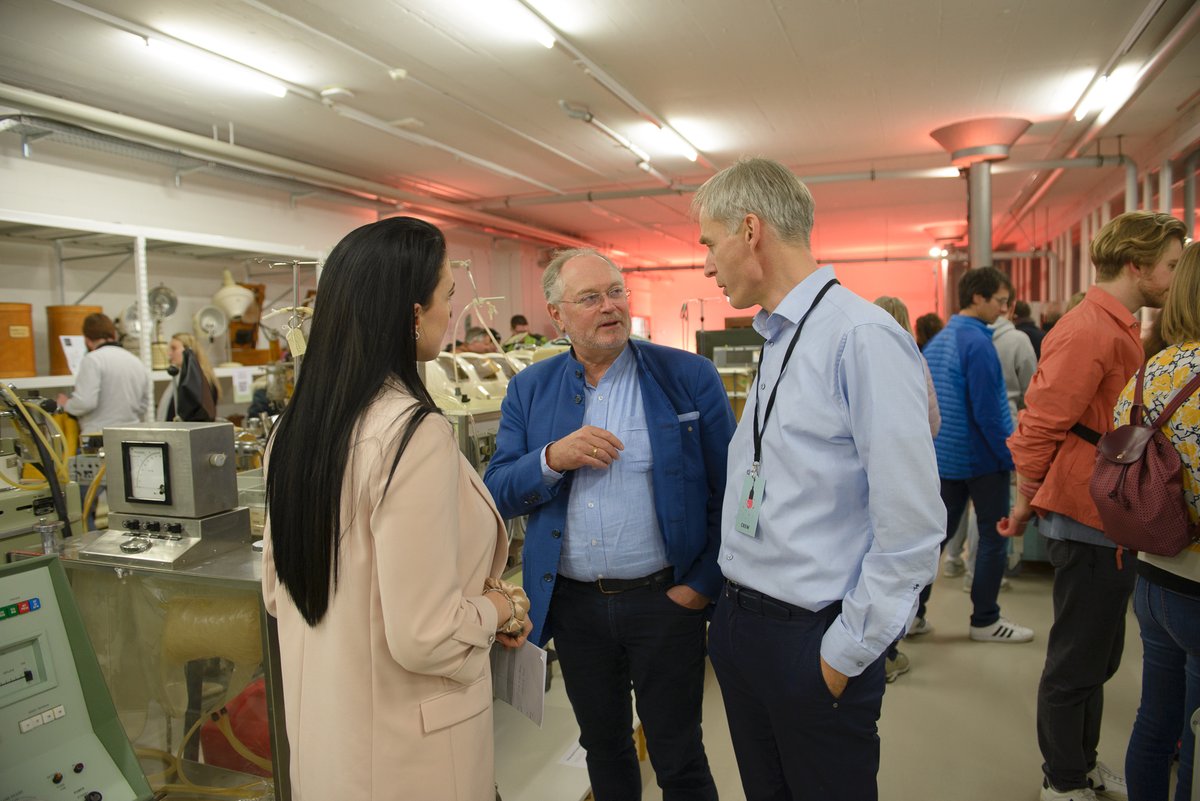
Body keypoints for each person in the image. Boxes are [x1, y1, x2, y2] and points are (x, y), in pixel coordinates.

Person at [693, 157, 943, 801]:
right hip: (743, 625)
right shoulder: (779, 334)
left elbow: (911, 525)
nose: (706, 264)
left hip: (811, 636)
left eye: (708, 242)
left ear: (749, 230)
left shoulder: (860, 336)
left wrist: (843, 655)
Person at [261, 217, 530, 801]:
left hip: (328, 749)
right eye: (447, 296)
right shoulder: (413, 434)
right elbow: (426, 636)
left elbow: (278, 593)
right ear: (411, 312)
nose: (450, 313)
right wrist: (497, 605)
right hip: (411, 760)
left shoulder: (293, 431)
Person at [484, 247, 733, 801]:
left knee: (679, 753)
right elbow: (496, 488)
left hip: (665, 603)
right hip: (575, 610)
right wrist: (552, 458)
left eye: (616, 291)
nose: (610, 307)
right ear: (558, 314)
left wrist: (702, 586)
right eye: (590, 297)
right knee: (604, 749)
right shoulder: (531, 388)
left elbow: (734, 491)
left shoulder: (686, 376)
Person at [1001, 210, 1187, 801]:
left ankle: (1078, 764)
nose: (1179, 277)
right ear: (1136, 265)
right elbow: (1041, 424)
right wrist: (1026, 500)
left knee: (1101, 656)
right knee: (1076, 661)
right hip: (1085, 516)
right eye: (1172, 266)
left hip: (1105, 514)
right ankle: (1061, 779)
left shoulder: (1118, 325)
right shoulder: (1090, 331)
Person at [1121, 240, 1200, 801]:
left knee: (1156, 719)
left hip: (1152, 570)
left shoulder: (1156, 368)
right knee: (1196, 734)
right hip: (1197, 581)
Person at [918, 267, 1033, 643]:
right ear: (978, 298)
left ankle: (911, 615)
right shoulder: (979, 343)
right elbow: (988, 411)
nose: (1003, 310)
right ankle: (985, 619)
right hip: (982, 460)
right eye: (1000, 301)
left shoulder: (939, 341)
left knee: (935, 540)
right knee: (994, 536)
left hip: (946, 457)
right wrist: (1011, 452)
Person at [873, 295, 941, 683]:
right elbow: (933, 423)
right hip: (905, 478)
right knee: (897, 565)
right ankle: (889, 651)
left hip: (864, 480)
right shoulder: (914, 359)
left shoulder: (852, 355)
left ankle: (863, 652)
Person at [56, 312, 150, 434]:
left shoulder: (93, 360)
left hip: (100, 436)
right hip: (132, 434)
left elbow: (85, 403)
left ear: (87, 341)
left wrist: (66, 404)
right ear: (114, 335)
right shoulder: (136, 361)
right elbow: (143, 405)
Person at [157, 333, 220, 422]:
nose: (169, 354)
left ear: (188, 350)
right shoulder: (180, 378)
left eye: (174, 348)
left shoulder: (202, 382)